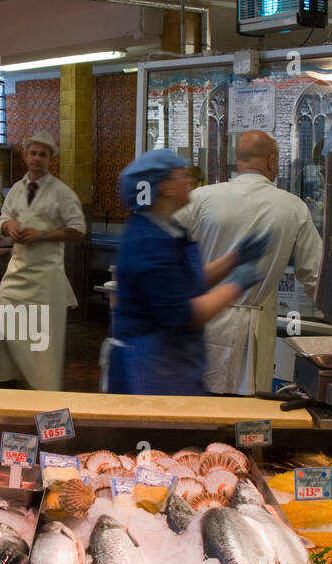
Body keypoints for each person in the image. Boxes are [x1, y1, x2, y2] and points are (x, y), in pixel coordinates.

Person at [105, 149, 265, 396]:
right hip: (151, 365)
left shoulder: (166, 228)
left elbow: (189, 283)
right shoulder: (148, 242)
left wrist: (234, 259)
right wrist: (236, 285)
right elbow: (183, 313)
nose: (190, 180)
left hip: (172, 361)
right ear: (166, 187)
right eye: (182, 174)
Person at [182, 130, 323, 395]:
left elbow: (170, 257)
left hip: (202, 319)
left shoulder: (200, 198)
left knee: (199, 407)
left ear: (238, 160)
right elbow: (317, 278)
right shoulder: (293, 207)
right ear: (272, 161)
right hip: (254, 329)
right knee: (246, 412)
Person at [0, 131, 85, 391]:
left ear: (50, 159)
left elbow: (78, 228)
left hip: (45, 280)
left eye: (43, 155)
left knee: (41, 344)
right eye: (33, 153)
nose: (37, 158)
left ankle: (42, 393)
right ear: (25, 156)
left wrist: (43, 234)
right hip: (17, 274)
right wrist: (8, 225)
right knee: (3, 330)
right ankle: (4, 383)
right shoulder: (16, 189)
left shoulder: (61, 193)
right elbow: (2, 219)